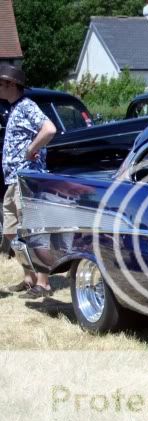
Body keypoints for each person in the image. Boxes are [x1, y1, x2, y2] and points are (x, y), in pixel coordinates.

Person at [0, 65, 57, 299]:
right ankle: (29, 278)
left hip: (26, 180)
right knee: (12, 231)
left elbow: (49, 129)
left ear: (11, 85)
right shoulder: (13, 109)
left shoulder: (26, 106)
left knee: (34, 230)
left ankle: (43, 284)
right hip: (13, 181)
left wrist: (31, 150)